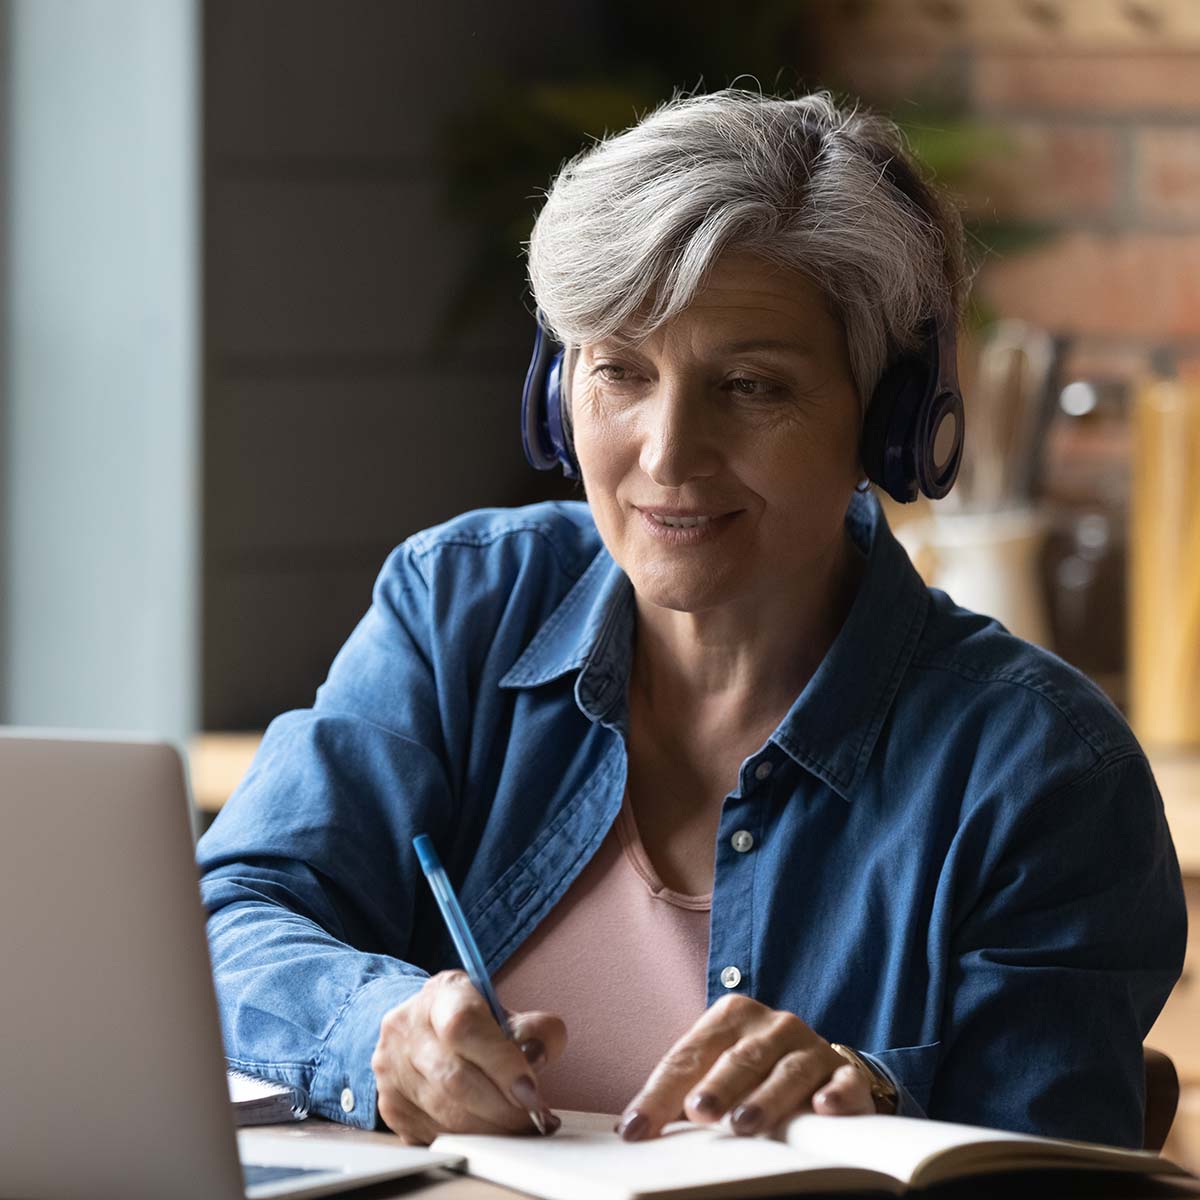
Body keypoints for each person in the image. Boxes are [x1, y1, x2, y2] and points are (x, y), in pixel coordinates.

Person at [196, 89, 1186, 1150]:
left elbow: (1044, 1156)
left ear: (890, 423)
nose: (666, 455)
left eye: (751, 386)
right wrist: (373, 1028)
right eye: (620, 371)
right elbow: (234, 917)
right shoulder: (460, 608)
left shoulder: (1041, 771)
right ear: (555, 388)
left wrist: (873, 1095)